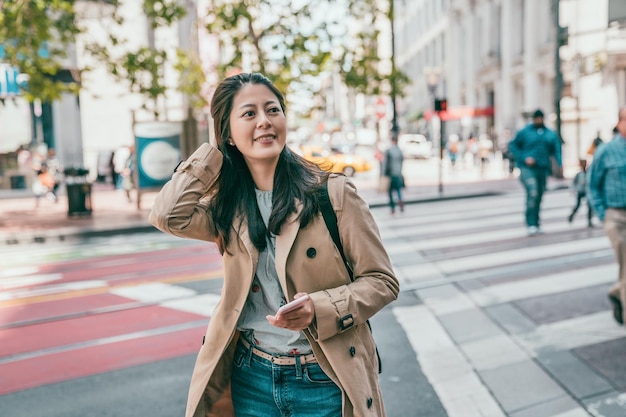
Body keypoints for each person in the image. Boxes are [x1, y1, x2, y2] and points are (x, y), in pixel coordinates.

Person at [149, 73, 399, 417]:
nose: (265, 121)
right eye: (248, 114)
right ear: (228, 133)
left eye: (273, 110)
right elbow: (167, 215)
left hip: (324, 377)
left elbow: (382, 281)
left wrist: (320, 308)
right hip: (252, 376)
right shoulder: (228, 207)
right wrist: (211, 151)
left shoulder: (333, 194)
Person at [587, 107, 626, 326]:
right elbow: (592, 185)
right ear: (620, 123)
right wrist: (604, 214)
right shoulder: (606, 151)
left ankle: (616, 292)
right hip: (618, 216)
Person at [508, 109, 562, 236]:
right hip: (528, 168)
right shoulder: (524, 132)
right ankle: (531, 223)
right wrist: (523, 158)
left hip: (542, 168)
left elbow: (556, 149)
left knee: (539, 196)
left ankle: (537, 222)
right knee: (533, 192)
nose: (539, 121)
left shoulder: (549, 133)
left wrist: (560, 164)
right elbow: (513, 145)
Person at [382, 132, 405, 214]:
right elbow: (402, 162)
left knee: (390, 192)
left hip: (390, 174)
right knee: (398, 190)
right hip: (398, 173)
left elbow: (385, 164)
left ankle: (392, 207)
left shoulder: (388, 151)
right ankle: (400, 201)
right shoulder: (400, 151)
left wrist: (383, 174)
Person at [567, 158, 592, 227]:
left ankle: (589, 220)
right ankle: (571, 216)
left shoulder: (588, 173)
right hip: (580, 191)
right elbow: (574, 183)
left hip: (587, 191)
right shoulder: (579, 174)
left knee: (589, 206)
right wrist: (574, 190)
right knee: (578, 205)